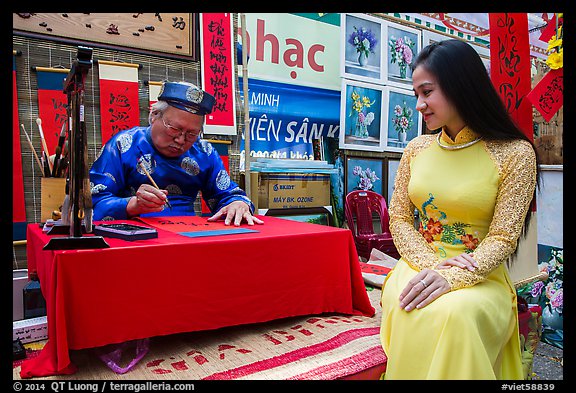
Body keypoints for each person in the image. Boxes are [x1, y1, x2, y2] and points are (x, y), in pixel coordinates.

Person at [380, 39, 539, 379]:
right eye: (416, 95)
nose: (420, 105)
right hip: (417, 264)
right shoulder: (416, 149)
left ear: (460, 86)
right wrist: (432, 267)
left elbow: (503, 236)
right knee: (409, 302)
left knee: (457, 315)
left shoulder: (515, 153)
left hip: (480, 273)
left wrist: (452, 276)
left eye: (427, 92)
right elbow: (400, 218)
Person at [90, 81, 264, 226]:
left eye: (191, 134)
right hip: (134, 237)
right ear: (154, 116)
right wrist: (132, 204)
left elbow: (228, 194)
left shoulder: (204, 152)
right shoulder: (124, 145)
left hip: (186, 234)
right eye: (174, 129)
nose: (181, 140)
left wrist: (238, 203)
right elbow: (93, 204)